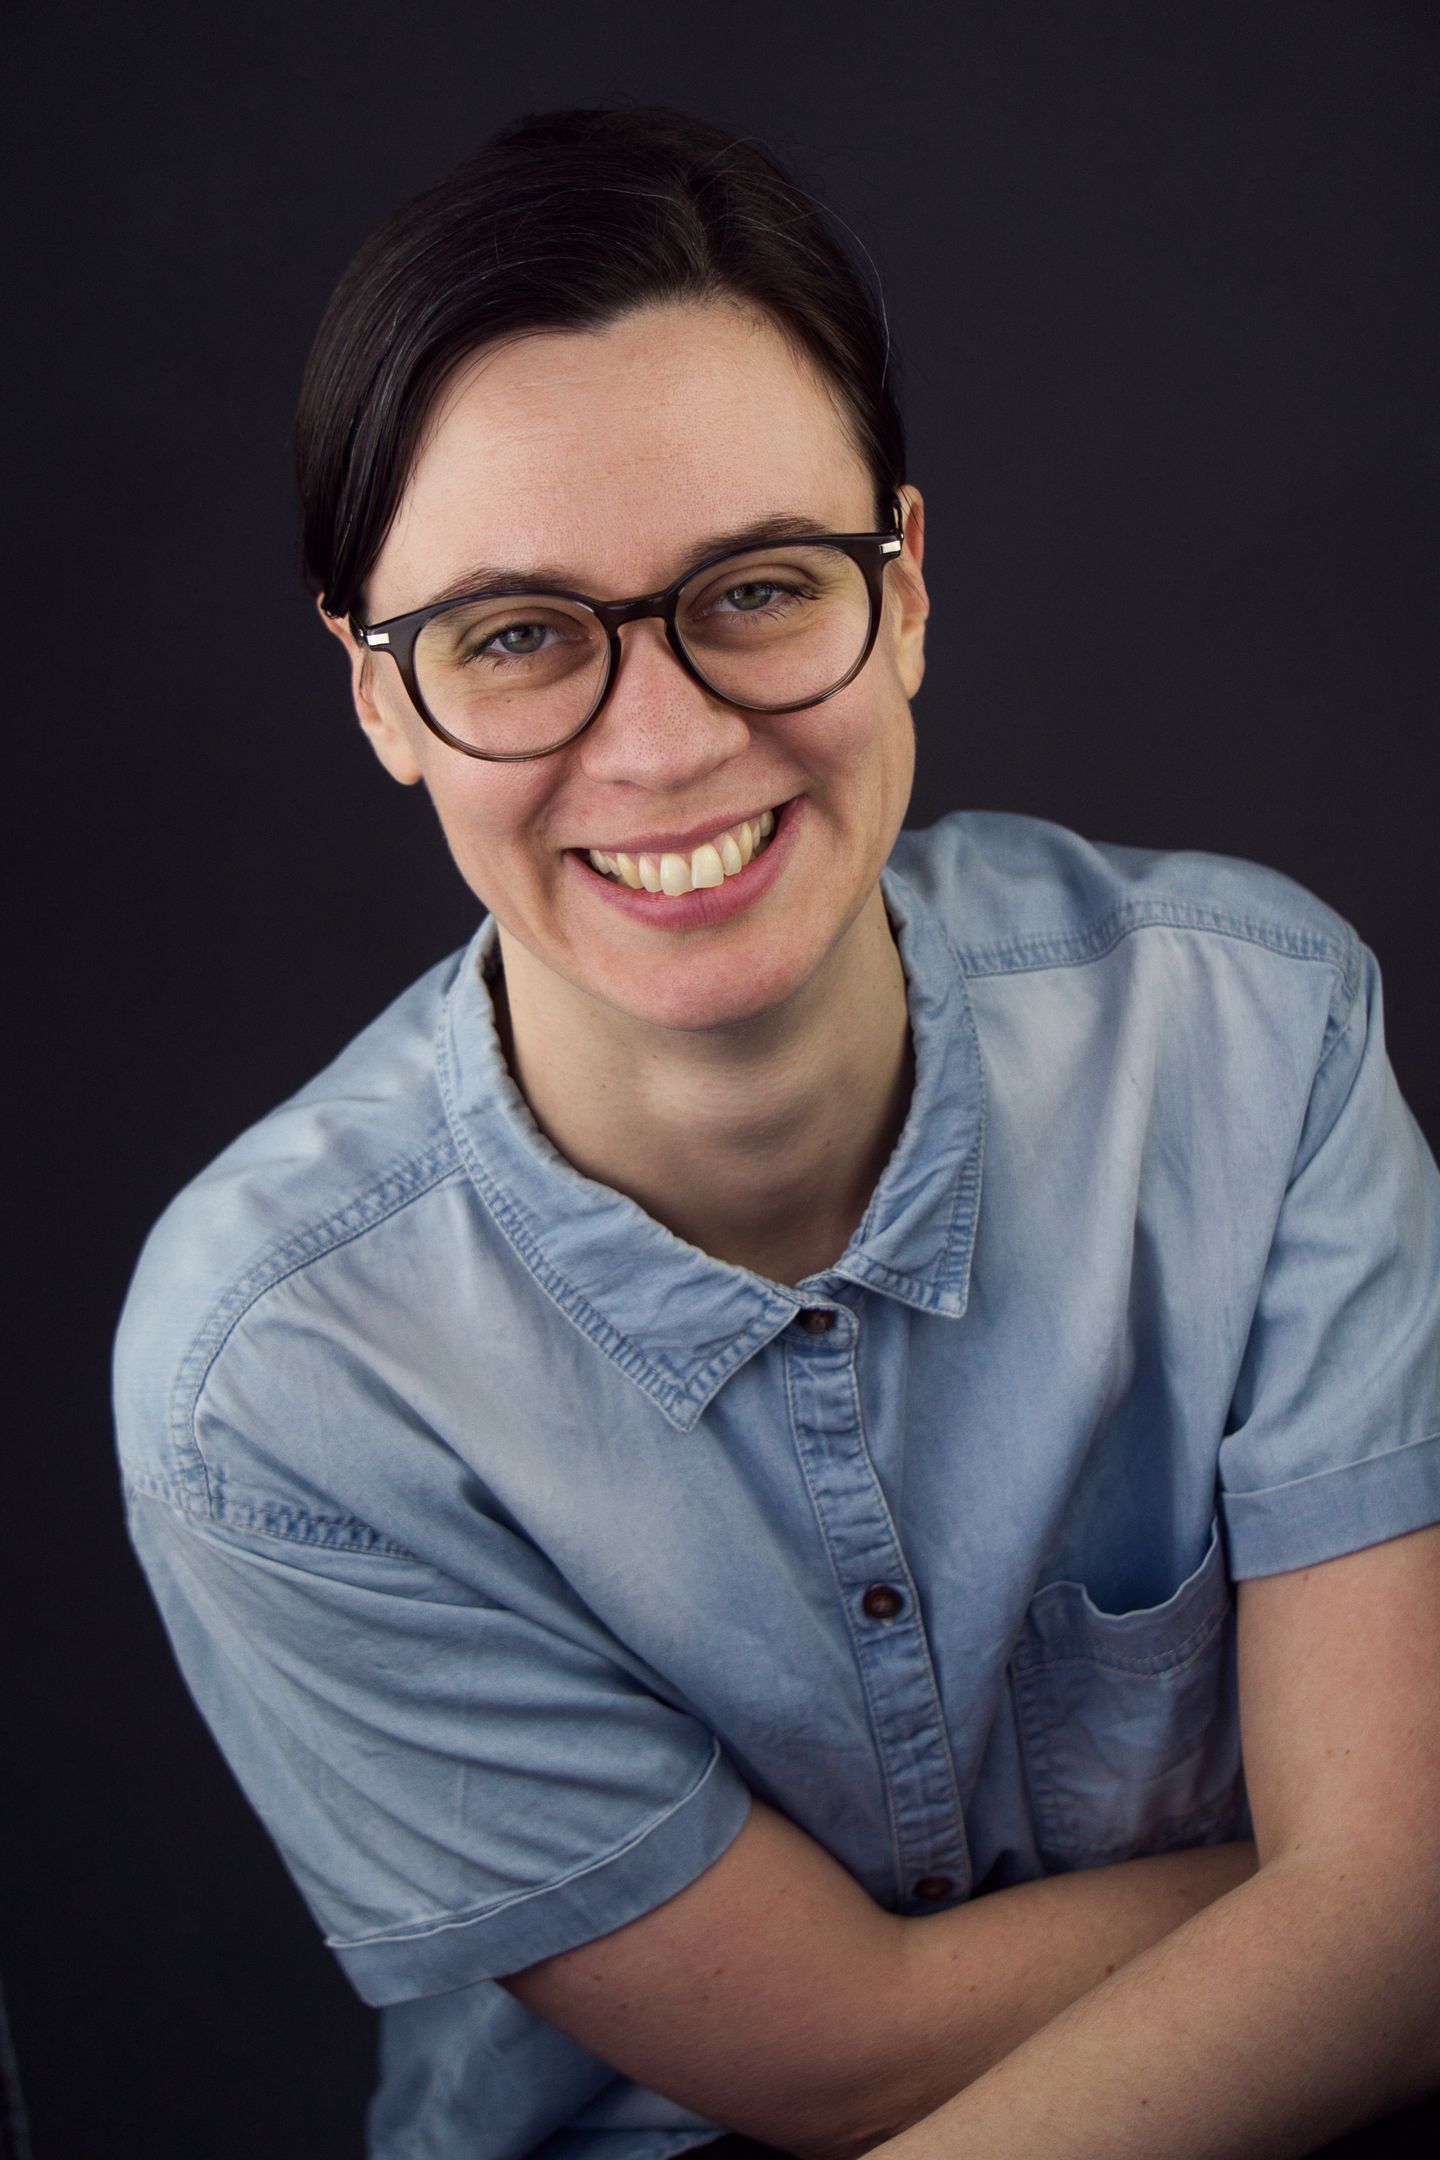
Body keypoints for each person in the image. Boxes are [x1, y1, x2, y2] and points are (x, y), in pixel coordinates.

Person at [113, 107, 1440, 2160]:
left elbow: (1407, 1922)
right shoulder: (266, 1373)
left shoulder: (1256, 1040)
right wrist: (1338, 1903)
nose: (665, 745)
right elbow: (839, 2056)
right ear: (378, 696)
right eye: (515, 635)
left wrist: (1383, 1909)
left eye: (755, 588)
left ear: (902, 588)